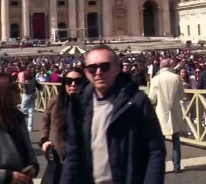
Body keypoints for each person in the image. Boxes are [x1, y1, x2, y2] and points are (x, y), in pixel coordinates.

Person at [61, 45, 165, 184]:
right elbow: (72, 153)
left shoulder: (136, 101)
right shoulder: (78, 104)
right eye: (92, 68)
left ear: (117, 68)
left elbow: (155, 150)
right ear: (86, 72)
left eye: (105, 66)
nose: (98, 72)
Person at [41, 67, 86, 162]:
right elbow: (45, 120)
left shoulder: (89, 103)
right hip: (59, 154)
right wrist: (44, 140)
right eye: (69, 81)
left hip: (82, 155)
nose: (73, 84)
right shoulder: (56, 100)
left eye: (78, 81)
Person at [149, 59, 186, 173]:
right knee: (176, 140)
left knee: (161, 141)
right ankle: (177, 166)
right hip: (175, 111)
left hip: (161, 112)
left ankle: (161, 166)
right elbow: (182, 96)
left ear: (160, 67)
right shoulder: (176, 77)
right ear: (170, 66)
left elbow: (152, 98)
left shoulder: (156, 79)